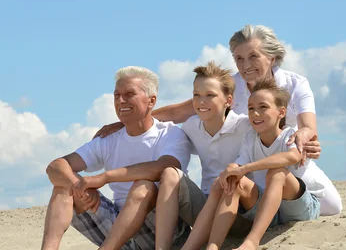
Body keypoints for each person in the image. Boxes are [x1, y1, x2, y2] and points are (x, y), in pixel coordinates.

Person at [6, 66, 192, 250]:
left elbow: (164, 167)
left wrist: (102, 178)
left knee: (144, 186)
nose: (121, 101)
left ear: (152, 101)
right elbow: (56, 166)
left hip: (163, 231)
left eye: (129, 94)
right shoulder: (109, 140)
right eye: (117, 96)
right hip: (119, 234)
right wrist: (80, 187)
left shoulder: (171, 134)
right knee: (63, 185)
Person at [95, 25, 322, 165]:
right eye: (239, 59)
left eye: (253, 56)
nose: (246, 65)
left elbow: (308, 125)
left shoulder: (296, 84)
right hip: (244, 166)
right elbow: (181, 111)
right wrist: (126, 122)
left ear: (272, 57)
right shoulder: (230, 85)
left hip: (287, 160)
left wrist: (305, 136)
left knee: (332, 206)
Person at [188, 77, 337, 250]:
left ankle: (252, 241)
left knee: (277, 173)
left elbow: (292, 157)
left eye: (263, 107)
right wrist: (232, 170)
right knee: (234, 181)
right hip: (270, 210)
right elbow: (239, 163)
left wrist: (246, 168)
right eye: (251, 108)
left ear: (281, 112)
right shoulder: (250, 138)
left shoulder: (290, 136)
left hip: (299, 207)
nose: (255, 114)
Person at [141, 61, 252, 250]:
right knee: (170, 173)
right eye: (196, 95)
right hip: (205, 210)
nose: (201, 101)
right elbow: (156, 121)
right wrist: (122, 123)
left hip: (241, 211)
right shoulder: (191, 126)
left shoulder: (245, 126)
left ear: (229, 100)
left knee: (229, 178)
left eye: (210, 95)